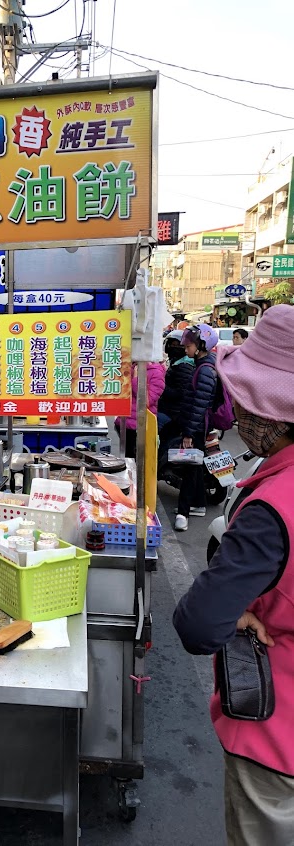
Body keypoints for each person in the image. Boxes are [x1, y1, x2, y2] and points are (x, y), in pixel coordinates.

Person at [173, 305, 294, 846]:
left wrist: (239, 614)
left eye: (244, 403)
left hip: (278, 735)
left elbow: (198, 624)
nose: (236, 414)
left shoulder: (273, 507)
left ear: (275, 414)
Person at [174, 323, 219, 530]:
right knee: (195, 465)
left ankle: (183, 514)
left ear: (201, 345)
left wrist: (189, 433)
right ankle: (198, 504)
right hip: (196, 426)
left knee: (190, 467)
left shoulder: (205, 371)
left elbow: (199, 405)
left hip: (198, 428)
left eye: (189, 346)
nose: (186, 349)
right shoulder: (202, 365)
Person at [114, 361, 165, 458]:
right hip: (124, 421)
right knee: (126, 457)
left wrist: (135, 379)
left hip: (138, 425)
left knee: (135, 459)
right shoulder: (132, 367)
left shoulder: (156, 373)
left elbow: (146, 401)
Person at [157, 330, 195, 447]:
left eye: (177, 345)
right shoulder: (177, 363)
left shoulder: (184, 366)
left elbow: (181, 392)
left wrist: (161, 388)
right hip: (170, 411)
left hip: (173, 414)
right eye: (171, 345)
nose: (173, 348)